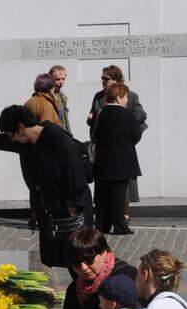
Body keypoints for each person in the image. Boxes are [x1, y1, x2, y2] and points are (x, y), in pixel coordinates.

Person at [0, 99, 93, 268]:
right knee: (63, 260)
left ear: (21, 128)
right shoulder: (24, 144)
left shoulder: (57, 138)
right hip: (51, 214)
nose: (11, 140)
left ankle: (93, 293)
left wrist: (73, 207)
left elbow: (75, 173)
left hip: (72, 215)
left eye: (11, 135)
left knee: (81, 262)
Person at [86, 65, 147, 216]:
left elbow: (141, 114)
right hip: (104, 148)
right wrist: (91, 119)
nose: (103, 81)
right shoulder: (98, 96)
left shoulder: (130, 95)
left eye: (106, 78)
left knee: (124, 185)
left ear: (117, 79)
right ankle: (105, 216)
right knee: (104, 186)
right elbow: (94, 119)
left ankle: (124, 214)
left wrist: (123, 121)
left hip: (122, 146)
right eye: (102, 78)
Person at [92, 82, 142, 235]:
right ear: (120, 98)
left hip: (103, 162)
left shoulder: (102, 114)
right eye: (126, 97)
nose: (127, 100)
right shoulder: (128, 115)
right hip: (122, 161)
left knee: (103, 196)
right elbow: (136, 135)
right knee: (119, 196)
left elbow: (95, 134)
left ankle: (103, 225)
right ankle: (120, 226)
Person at [49, 64, 72, 134]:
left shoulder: (62, 96)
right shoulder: (47, 96)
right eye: (58, 79)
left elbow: (64, 119)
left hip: (64, 134)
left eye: (63, 79)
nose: (61, 82)